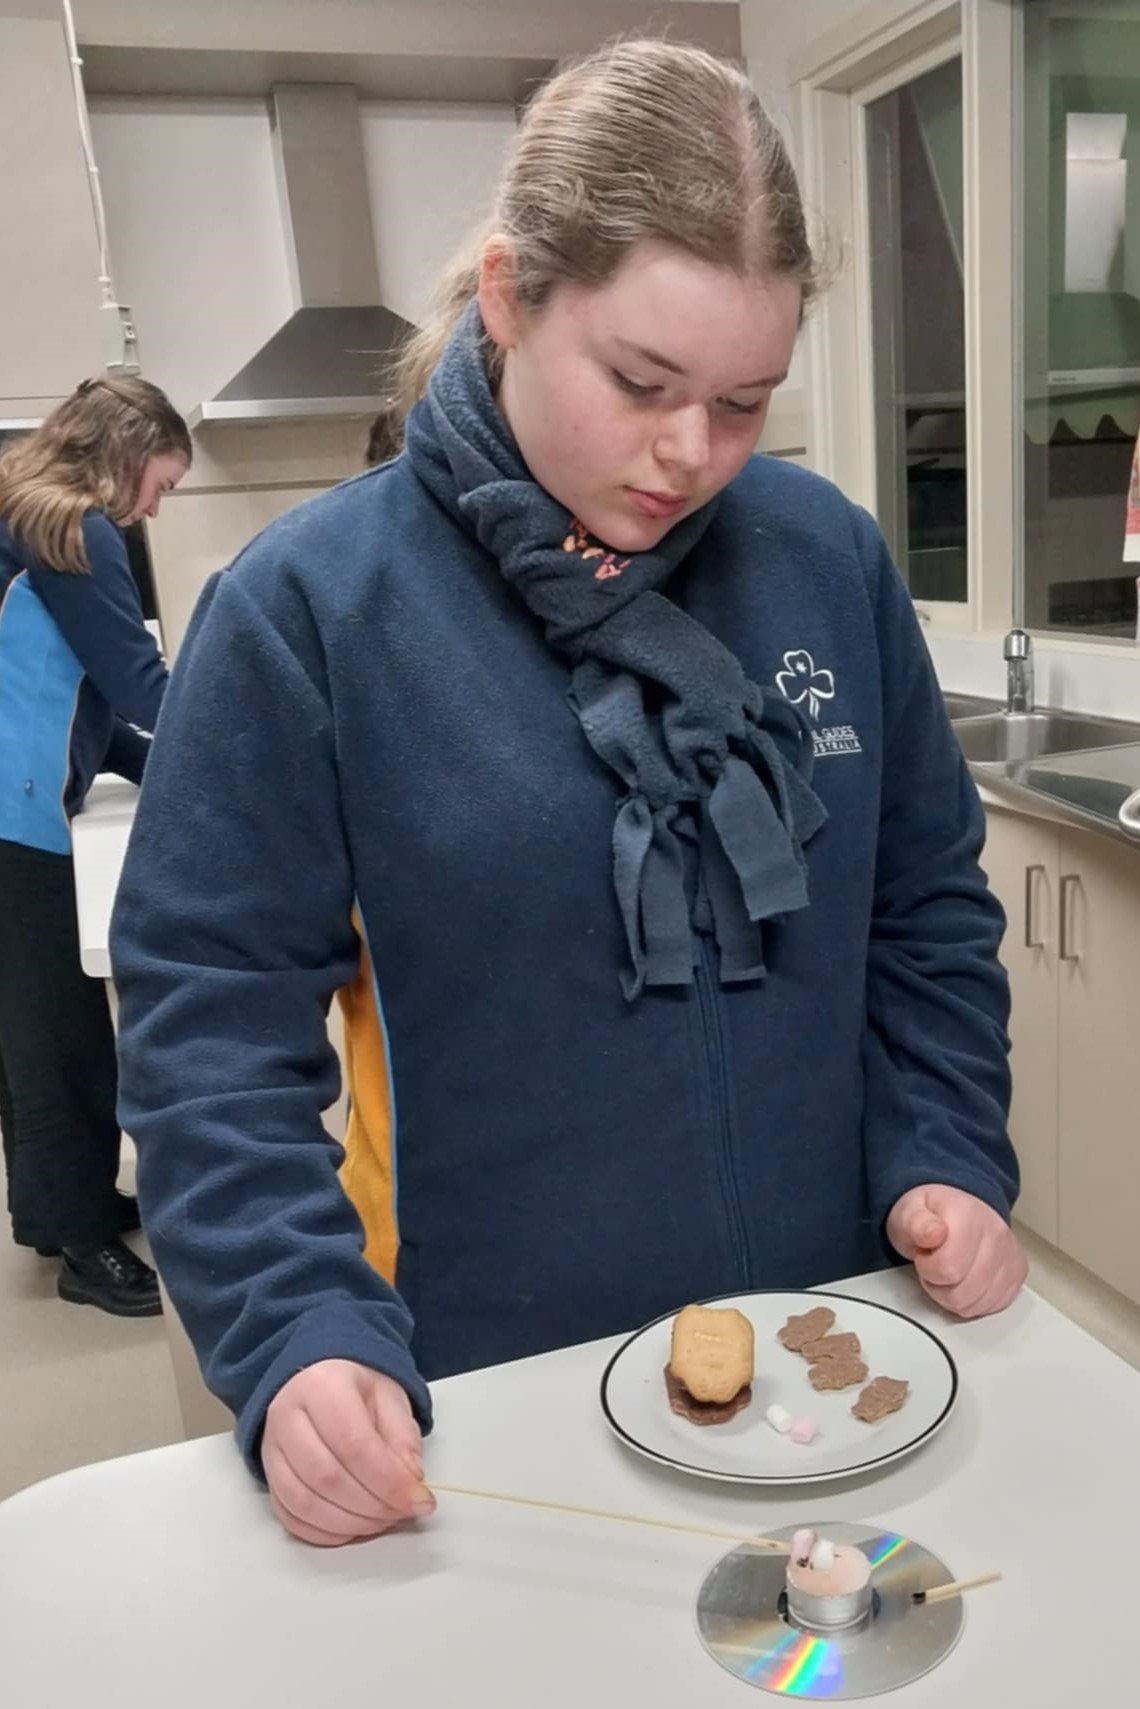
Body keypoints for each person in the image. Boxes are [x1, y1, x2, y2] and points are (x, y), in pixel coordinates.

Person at [112, 40, 1026, 1546]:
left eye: (745, 402)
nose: (691, 453)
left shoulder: (827, 562)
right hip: (486, 1396)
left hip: (828, 1361)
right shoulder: (310, 613)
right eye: (642, 382)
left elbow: (923, 908)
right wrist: (297, 1323)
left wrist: (945, 1148)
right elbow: (210, 1017)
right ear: (507, 297)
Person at [0, 374, 190, 1316]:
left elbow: (83, 692)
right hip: (15, 813)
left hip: (14, 801)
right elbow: (142, 682)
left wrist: (157, 767)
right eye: (160, 483)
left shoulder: (27, 512)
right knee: (61, 1037)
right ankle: (83, 1248)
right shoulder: (78, 530)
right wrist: (241, 742)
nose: (157, 505)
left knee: (26, 1033)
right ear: (125, 454)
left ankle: (56, 1208)